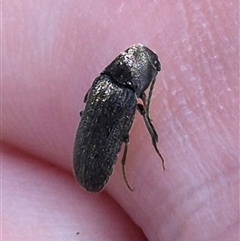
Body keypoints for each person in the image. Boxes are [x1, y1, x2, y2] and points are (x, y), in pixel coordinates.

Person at [2, 1, 238, 240]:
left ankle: (122, 168)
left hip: (87, 162)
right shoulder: (124, 95)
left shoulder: (103, 83)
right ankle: (123, 168)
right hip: (95, 168)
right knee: (124, 139)